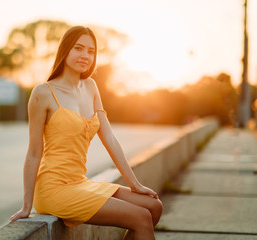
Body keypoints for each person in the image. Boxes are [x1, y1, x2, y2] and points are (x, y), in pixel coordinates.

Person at [10, 26, 163, 240]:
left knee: (153, 207)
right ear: (65, 51)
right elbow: (34, 152)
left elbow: (109, 138)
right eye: (78, 48)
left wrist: (134, 184)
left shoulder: (90, 87)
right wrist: (27, 205)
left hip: (80, 182)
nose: (85, 56)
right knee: (141, 217)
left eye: (91, 51)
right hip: (53, 188)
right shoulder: (43, 93)